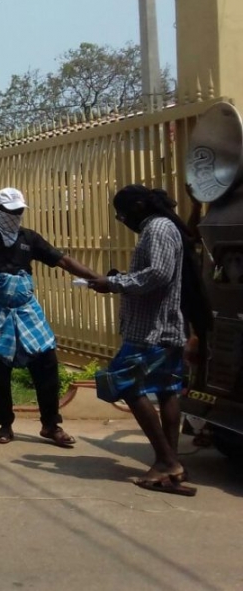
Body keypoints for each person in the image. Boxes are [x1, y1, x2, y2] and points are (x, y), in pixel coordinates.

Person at [0, 187, 99, 448]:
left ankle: (51, 424)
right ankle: (5, 424)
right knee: (1, 369)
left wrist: (96, 278)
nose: (15, 215)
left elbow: (63, 261)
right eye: (10, 211)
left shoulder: (28, 238)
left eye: (19, 211)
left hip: (25, 308)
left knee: (46, 361)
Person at [89, 185, 198, 496]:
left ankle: (166, 462)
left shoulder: (158, 228)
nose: (122, 220)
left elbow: (158, 274)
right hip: (164, 327)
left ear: (138, 206)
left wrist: (114, 282)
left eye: (122, 214)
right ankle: (171, 462)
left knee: (124, 384)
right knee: (166, 391)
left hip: (150, 330)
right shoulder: (164, 226)